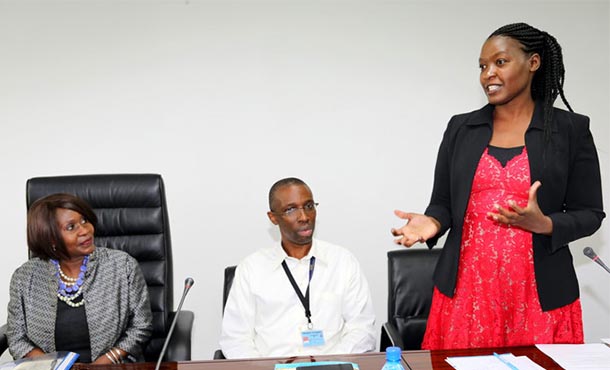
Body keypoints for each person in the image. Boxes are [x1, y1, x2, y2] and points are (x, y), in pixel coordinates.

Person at [391, 23, 605, 350]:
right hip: (467, 294)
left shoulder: (570, 130)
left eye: (500, 62)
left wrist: (545, 224)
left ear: (533, 63)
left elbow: (590, 213)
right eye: (482, 66)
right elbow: (444, 203)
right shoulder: (461, 128)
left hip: (538, 294)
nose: (488, 73)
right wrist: (432, 222)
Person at [220, 177, 376, 358]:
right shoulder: (251, 269)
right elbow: (235, 339)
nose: (304, 217)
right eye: (291, 209)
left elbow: (362, 329)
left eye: (309, 206)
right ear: (273, 218)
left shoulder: (343, 262)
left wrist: (327, 365)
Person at [7, 193, 153, 363]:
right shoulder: (24, 278)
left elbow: (141, 325)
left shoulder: (123, 265)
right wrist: (52, 365)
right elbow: (16, 337)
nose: (85, 230)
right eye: (71, 227)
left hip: (111, 366)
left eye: (84, 220)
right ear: (50, 238)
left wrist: (104, 362)